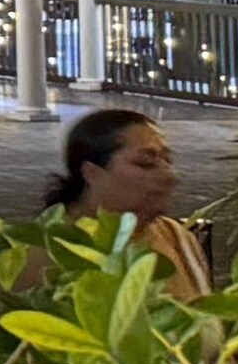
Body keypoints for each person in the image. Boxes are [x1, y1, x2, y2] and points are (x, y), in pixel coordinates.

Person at [50, 105, 212, 301]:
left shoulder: (177, 237)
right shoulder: (51, 251)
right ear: (91, 172)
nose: (169, 175)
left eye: (168, 161)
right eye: (145, 163)